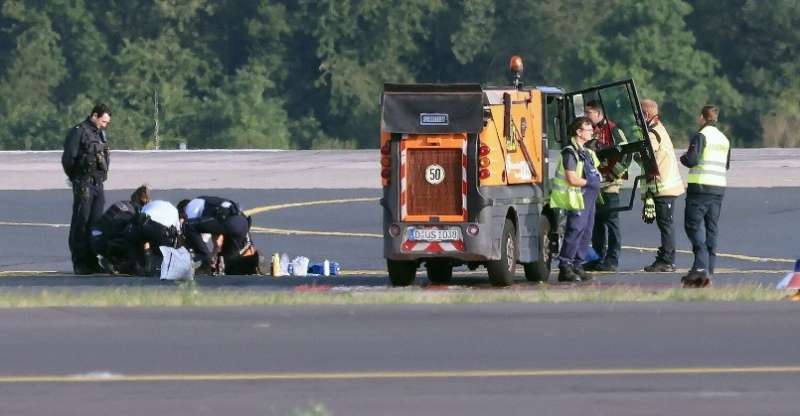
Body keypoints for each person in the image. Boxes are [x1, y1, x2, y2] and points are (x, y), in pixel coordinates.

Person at [679, 105, 731, 287]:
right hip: (718, 188)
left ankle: (700, 265)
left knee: (692, 226)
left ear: (702, 117)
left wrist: (683, 158)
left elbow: (692, 160)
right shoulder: (724, 139)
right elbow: (725, 165)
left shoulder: (702, 135)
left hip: (700, 187)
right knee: (711, 228)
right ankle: (708, 268)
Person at [549, 117, 602, 282]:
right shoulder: (570, 152)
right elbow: (571, 178)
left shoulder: (588, 152)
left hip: (590, 198)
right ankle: (565, 266)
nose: (592, 132)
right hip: (577, 197)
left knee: (587, 232)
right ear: (579, 132)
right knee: (575, 231)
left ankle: (578, 265)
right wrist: (590, 182)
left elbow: (596, 171)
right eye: (588, 129)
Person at [62, 103, 112, 274]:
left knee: (96, 224)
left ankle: (92, 261)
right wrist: (76, 179)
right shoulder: (78, 132)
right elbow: (68, 159)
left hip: (98, 184)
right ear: (95, 115)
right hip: (84, 183)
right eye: (103, 121)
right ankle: (80, 262)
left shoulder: (100, 134)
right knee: (81, 223)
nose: (105, 125)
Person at [640, 99, 685, 272]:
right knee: (665, 223)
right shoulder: (660, 129)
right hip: (666, 186)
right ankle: (666, 257)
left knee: (666, 224)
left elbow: (647, 157)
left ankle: (667, 259)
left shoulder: (653, 133)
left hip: (663, 187)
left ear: (646, 114)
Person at [583, 100, 628, 272]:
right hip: (595, 185)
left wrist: (611, 174)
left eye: (589, 113)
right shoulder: (590, 132)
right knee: (596, 224)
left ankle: (612, 259)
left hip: (610, 186)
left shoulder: (614, 130)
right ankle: (597, 258)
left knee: (612, 223)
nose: (586, 117)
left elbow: (626, 155)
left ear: (598, 113)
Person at [177, 196, 261, 275]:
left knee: (187, 225)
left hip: (230, 222)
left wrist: (207, 259)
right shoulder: (207, 205)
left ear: (183, 212)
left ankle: (205, 264)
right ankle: (247, 273)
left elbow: (199, 241)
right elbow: (216, 240)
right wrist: (214, 254)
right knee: (230, 264)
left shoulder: (190, 208)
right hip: (242, 223)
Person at [90, 185, 151, 275]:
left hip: (95, 237)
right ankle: (114, 264)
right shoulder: (133, 212)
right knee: (134, 238)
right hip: (104, 241)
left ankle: (111, 260)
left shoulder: (123, 204)